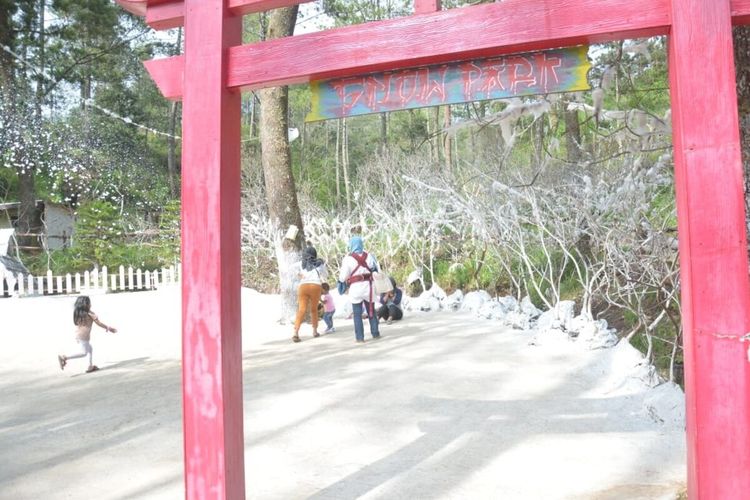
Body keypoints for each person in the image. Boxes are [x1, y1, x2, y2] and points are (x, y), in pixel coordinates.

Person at [57, 295, 117, 373]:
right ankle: (64, 357)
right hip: (84, 336)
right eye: (89, 303)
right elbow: (98, 323)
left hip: (78, 335)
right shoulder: (90, 313)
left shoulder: (78, 313)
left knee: (90, 348)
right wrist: (108, 328)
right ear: (86, 304)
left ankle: (90, 366)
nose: (91, 304)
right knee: (84, 353)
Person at [338, 236, 381, 343]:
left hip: (355, 289)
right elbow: (375, 270)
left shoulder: (348, 259)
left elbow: (343, 277)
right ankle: (375, 333)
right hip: (369, 287)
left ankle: (360, 338)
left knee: (357, 315)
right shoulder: (369, 256)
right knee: (371, 311)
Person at [292, 244, 327, 343]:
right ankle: (315, 331)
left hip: (303, 287)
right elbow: (325, 274)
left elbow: (291, 268)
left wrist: (299, 275)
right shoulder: (319, 263)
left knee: (301, 310)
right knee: (314, 310)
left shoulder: (301, 263)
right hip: (315, 286)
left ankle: (295, 332)